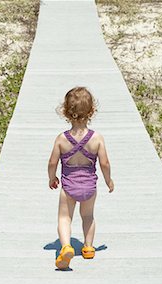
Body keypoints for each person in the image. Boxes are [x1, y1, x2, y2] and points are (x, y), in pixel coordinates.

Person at [48, 86, 114, 270]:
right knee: (88, 216)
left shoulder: (61, 139)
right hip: (89, 187)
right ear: (92, 111)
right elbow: (105, 163)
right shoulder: (97, 138)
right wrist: (109, 180)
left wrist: (52, 178)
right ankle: (88, 248)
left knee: (64, 217)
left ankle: (67, 246)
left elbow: (52, 162)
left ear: (66, 112)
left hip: (68, 186)